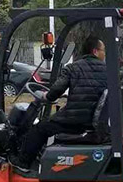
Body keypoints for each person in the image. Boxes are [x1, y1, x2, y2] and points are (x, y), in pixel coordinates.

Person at [14, 34, 108, 171]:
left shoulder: (73, 68)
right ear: (95, 51)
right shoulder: (109, 71)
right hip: (95, 121)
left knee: (39, 129)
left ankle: (22, 163)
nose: (104, 54)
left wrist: (45, 95)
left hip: (75, 121)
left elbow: (54, 93)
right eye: (103, 50)